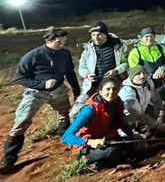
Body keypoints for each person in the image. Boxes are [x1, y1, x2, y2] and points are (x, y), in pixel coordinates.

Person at [1, 28, 82, 173]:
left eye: (64, 40)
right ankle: (9, 158)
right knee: (22, 120)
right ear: (49, 40)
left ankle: (68, 141)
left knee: (64, 115)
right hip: (36, 92)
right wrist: (41, 84)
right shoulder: (33, 55)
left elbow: (70, 72)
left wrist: (76, 90)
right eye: (58, 40)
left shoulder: (65, 53)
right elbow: (19, 77)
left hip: (59, 90)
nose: (62, 43)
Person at [61, 77, 135, 168]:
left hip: (106, 140)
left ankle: (114, 160)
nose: (111, 92)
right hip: (86, 147)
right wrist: (89, 142)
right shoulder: (89, 109)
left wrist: (133, 135)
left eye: (114, 89)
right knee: (113, 150)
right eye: (107, 89)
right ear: (100, 91)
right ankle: (97, 164)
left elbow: (121, 122)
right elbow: (66, 137)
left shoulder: (117, 101)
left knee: (130, 144)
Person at [70, 22, 128, 120]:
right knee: (75, 111)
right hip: (93, 83)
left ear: (106, 34)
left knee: (122, 108)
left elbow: (125, 63)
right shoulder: (88, 49)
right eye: (93, 35)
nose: (96, 38)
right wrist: (87, 75)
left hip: (114, 82)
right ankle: (76, 131)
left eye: (99, 35)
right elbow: (82, 67)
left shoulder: (118, 46)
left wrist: (116, 71)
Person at [127, 28, 165, 117]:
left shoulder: (161, 48)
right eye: (146, 37)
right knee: (150, 108)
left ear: (155, 36)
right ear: (141, 38)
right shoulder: (135, 52)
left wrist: (163, 68)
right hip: (145, 86)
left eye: (151, 36)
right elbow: (133, 72)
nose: (149, 39)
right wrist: (149, 76)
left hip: (160, 83)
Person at [119, 65, 165, 134]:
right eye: (138, 74)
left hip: (143, 113)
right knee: (139, 141)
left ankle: (154, 132)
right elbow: (138, 114)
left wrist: (160, 116)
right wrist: (158, 125)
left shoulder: (148, 82)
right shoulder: (127, 91)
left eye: (144, 73)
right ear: (131, 76)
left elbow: (156, 100)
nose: (142, 76)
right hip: (127, 121)